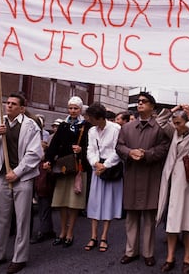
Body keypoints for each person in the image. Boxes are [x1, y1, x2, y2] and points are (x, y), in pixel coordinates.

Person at [0, 92, 43, 274]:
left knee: (22, 219)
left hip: (22, 178)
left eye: (13, 104)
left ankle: (20, 258)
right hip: (2, 176)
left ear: (22, 108)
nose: (8, 106)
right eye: (7, 103)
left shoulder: (31, 125)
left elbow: (34, 154)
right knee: (0, 218)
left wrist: (17, 172)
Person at [116, 92, 170, 267]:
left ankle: (148, 253)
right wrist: (129, 152)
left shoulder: (160, 128)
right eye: (138, 102)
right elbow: (119, 146)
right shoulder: (127, 127)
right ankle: (130, 251)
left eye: (143, 102)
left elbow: (164, 148)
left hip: (150, 176)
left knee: (148, 216)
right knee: (131, 216)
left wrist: (146, 154)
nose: (139, 104)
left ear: (152, 106)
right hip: (132, 174)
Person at [156, 105, 189, 274]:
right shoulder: (173, 132)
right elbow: (160, 121)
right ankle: (170, 257)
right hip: (171, 180)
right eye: (175, 123)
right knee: (172, 219)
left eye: (179, 123)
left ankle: (187, 257)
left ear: (186, 122)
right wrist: (175, 109)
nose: (176, 126)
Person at [43, 96, 91, 248]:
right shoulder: (63, 125)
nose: (72, 111)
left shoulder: (86, 125)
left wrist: (82, 149)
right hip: (63, 167)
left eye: (76, 108)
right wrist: (48, 160)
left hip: (78, 167)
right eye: (70, 108)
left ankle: (70, 233)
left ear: (80, 109)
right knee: (61, 201)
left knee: (74, 203)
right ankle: (62, 232)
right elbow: (54, 145)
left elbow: (92, 146)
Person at [84, 102, 123, 252]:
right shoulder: (92, 130)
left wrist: (105, 165)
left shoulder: (116, 129)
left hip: (111, 168)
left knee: (107, 203)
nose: (89, 121)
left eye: (91, 118)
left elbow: (117, 150)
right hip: (97, 168)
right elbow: (90, 149)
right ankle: (93, 236)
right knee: (94, 203)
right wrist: (95, 163)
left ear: (100, 118)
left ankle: (104, 236)